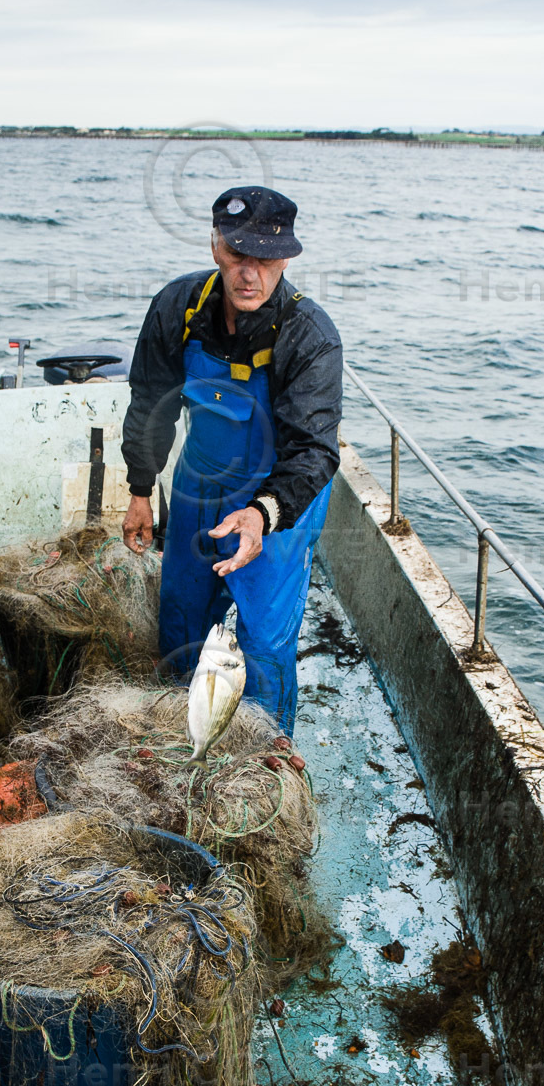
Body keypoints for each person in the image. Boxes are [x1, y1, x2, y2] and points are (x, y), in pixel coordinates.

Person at [120, 186, 342, 733]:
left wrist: (263, 513)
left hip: (278, 501)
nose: (251, 274)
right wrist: (141, 491)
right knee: (181, 621)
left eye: (266, 259)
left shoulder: (309, 337)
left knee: (265, 642)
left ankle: (269, 758)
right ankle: (180, 735)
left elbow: (314, 452)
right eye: (239, 254)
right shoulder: (178, 308)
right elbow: (151, 402)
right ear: (215, 245)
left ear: (286, 257)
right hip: (199, 484)